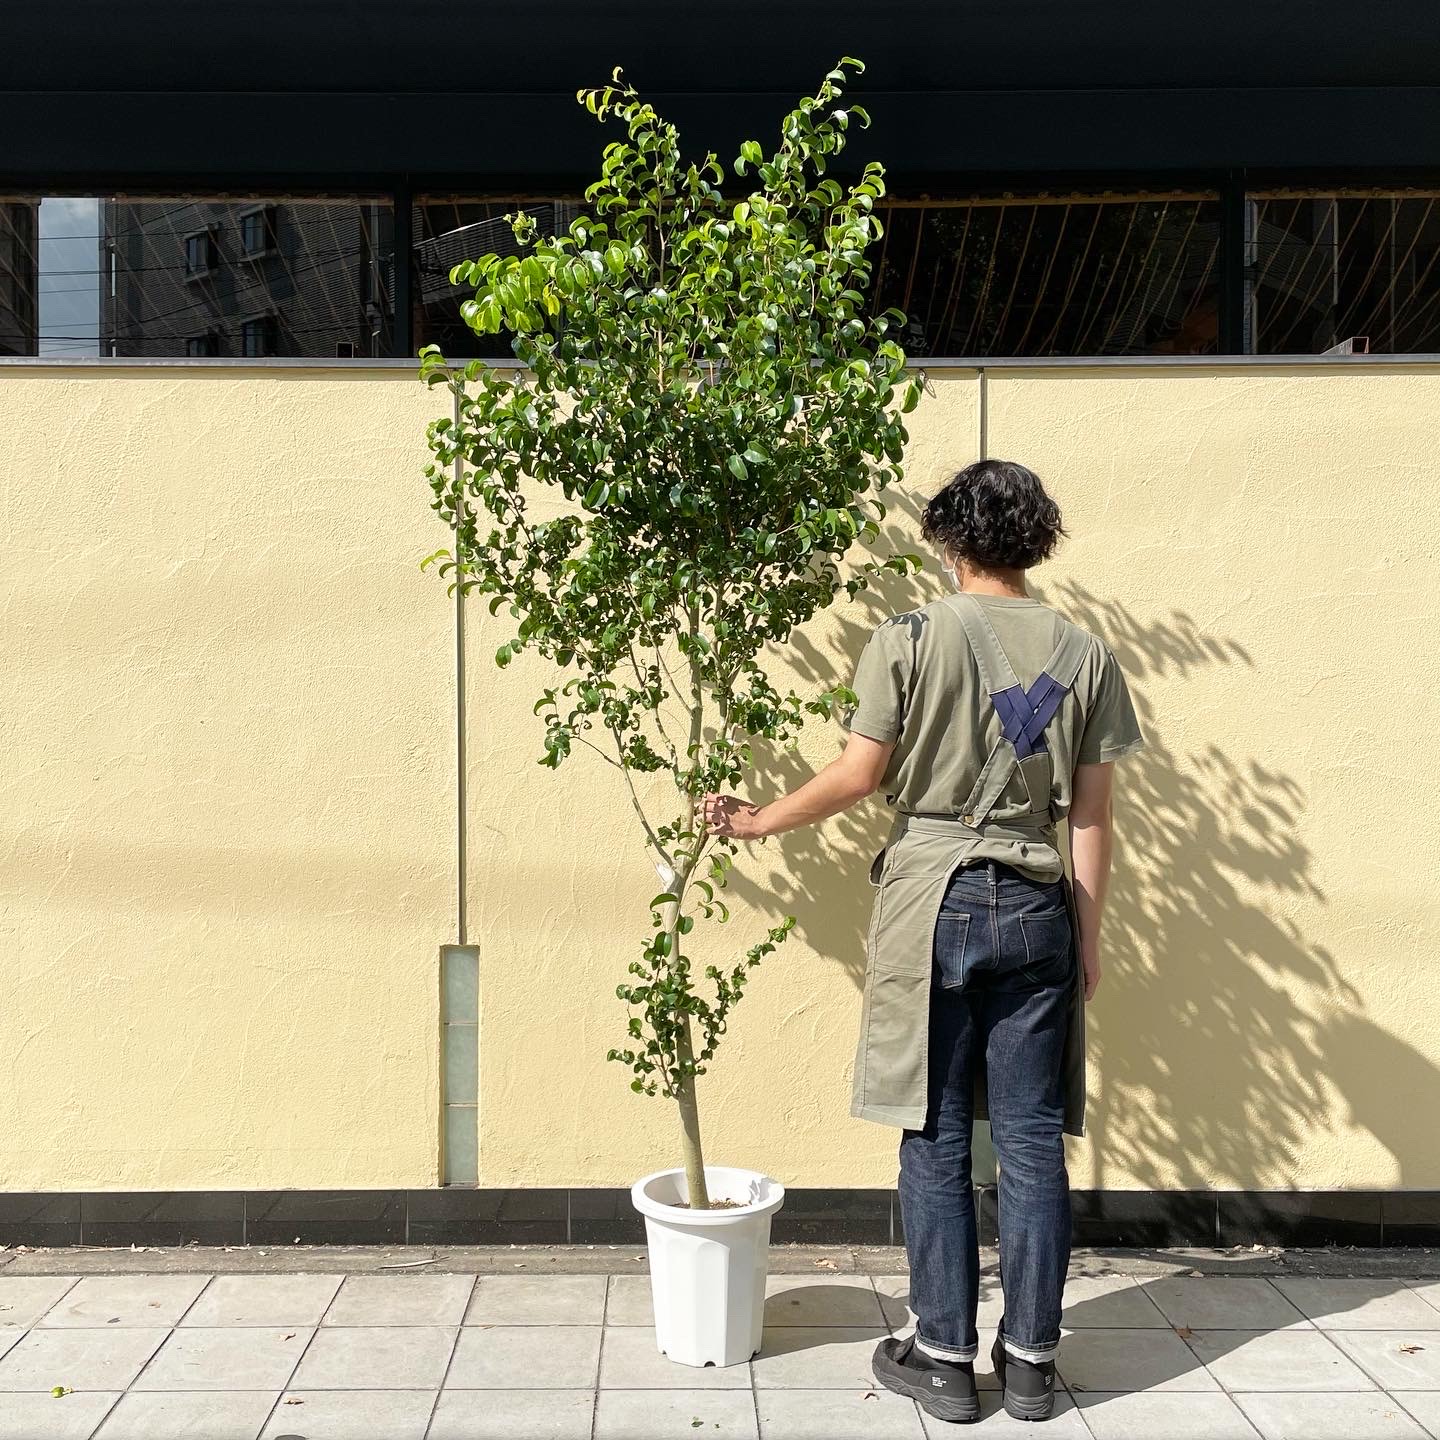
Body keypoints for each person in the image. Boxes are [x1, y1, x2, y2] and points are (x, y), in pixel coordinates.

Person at [698, 458, 1145, 1424]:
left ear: (950, 545)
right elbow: (1095, 819)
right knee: (1029, 1142)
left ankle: (942, 1356)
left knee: (935, 1133)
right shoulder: (1088, 653)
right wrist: (1090, 937)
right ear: (1036, 543)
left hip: (931, 906)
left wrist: (759, 820)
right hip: (1039, 910)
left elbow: (862, 775)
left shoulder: (907, 639)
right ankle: (1028, 1363)